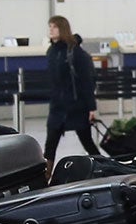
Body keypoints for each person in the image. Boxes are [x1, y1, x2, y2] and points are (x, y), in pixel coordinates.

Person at [42, 15, 99, 170]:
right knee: (50, 146)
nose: (51, 30)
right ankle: (45, 176)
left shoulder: (76, 53)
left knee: (87, 142)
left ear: (63, 29)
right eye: (50, 26)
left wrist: (91, 108)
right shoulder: (52, 51)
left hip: (76, 106)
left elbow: (86, 81)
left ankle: (103, 169)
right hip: (57, 106)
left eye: (54, 27)